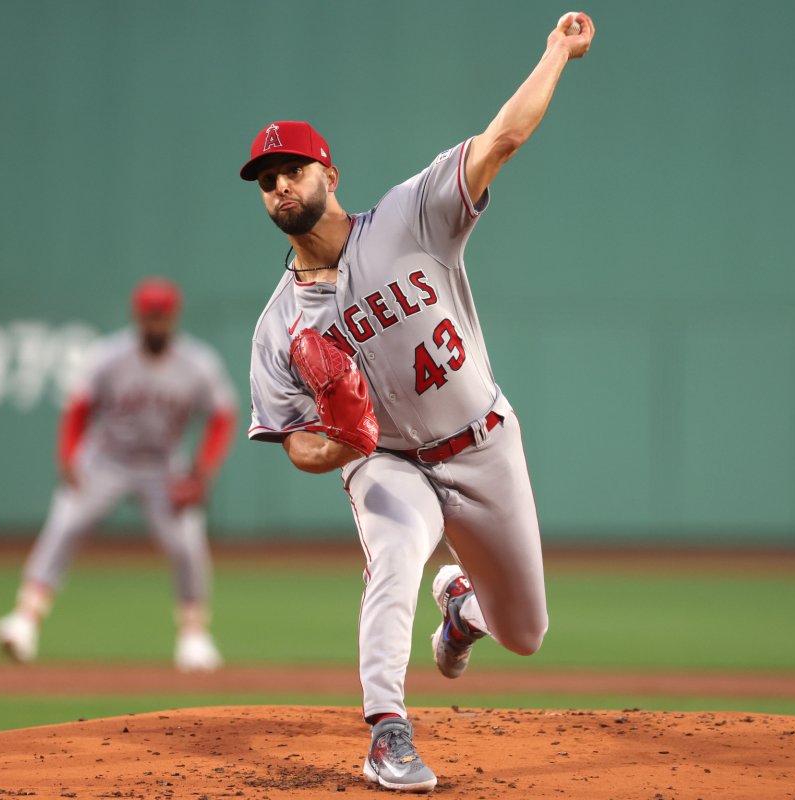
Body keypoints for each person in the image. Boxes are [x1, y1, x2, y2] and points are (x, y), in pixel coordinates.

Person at [239, 11, 595, 793]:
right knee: (395, 555)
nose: (279, 185)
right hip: (387, 462)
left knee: (526, 633)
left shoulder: (409, 216)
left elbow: (503, 137)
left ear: (330, 173)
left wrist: (555, 53)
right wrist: (341, 442)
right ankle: (387, 733)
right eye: (267, 180)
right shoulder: (278, 327)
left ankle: (464, 612)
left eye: (293, 169)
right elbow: (297, 444)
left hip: (482, 441)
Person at [0, 278, 237, 671]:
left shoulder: (197, 363)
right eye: (148, 314)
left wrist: (201, 472)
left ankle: (193, 636)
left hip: (162, 463)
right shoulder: (108, 355)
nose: (155, 322)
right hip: (106, 460)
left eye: (161, 314)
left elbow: (223, 415)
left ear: (172, 316)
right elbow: (79, 407)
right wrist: (69, 456)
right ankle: (25, 619)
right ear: (137, 315)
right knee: (65, 524)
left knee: (187, 544)